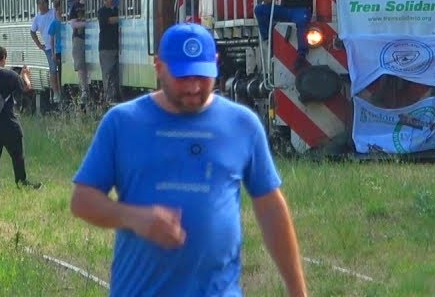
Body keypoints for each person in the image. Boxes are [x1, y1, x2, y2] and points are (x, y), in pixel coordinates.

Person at [70, 23, 308, 297]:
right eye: (182, 77)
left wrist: (298, 292)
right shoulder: (123, 122)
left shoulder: (242, 124)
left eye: (202, 76)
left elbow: (270, 209)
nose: (194, 87)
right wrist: (133, 217)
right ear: (159, 67)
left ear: (216, 64)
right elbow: (82, 200)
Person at [0, 45, 41, 191]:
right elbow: (27, 92)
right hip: (8, 123)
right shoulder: (9, 75)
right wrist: (25, 75)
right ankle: (21, 182)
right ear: (3, 58)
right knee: (17, 155)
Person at [30, 0, 62, 103]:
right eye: (39, 3)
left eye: (44, 3)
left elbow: (60, 14)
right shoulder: (37, 18)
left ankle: (61, 90)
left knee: (60, 68)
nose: (42, 5)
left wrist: (57, 4)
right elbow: (32, 32)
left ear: (47, 4)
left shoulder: (53, 12)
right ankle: (56, 93)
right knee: (53, 70)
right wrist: (39, 44)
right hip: (48, 47)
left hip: (59, 44)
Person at [97, 0, 122, 104]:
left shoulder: (116, 10)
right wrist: (123, 17)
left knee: (115, 73)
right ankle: (109, 97)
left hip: (116, 45)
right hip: (106, 47)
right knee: (107, 72)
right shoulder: (102, 11)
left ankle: (115, 95)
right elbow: (110, 21)